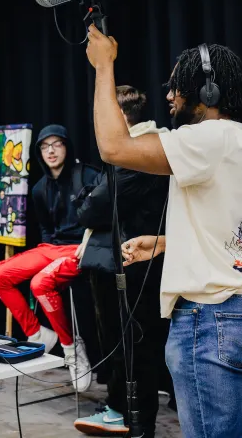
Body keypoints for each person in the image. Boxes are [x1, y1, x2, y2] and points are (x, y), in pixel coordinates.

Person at [87, 24, 242, 438]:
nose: (170, 96)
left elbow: (114, 148)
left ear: (206, 93)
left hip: (214, 318)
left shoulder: (208, 138)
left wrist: (104, 67)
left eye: (177, 87)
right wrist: (164, 244)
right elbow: (239, 231)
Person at [72, 86, 170, 436]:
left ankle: (136, 423)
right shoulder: (132, 154)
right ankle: (119, 410)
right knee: (121, 345)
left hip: (132, 267)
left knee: (133, 346)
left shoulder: (139, 156)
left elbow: (90, 209)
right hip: (119, 263)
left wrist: (86, 200)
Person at [0, 124, 100, 391]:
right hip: (51, 247)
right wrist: (47, 254)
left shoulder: (86, 175)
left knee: (40, 284)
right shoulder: (39, 188)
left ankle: (72, 348)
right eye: (44, 146)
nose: (50, 150)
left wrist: (88, 243)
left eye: (56, 144)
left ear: (66, 146)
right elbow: (46, 229)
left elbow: (101, 215)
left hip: (81, 247)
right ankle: (36, 332)